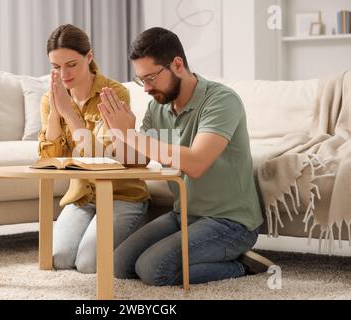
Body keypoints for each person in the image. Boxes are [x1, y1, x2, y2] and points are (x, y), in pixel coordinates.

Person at [97, 27, 274, 286]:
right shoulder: (157, 106)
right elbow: (139, 161)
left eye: (151, 78)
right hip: (183, 215)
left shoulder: (221, 100)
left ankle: (239, 265)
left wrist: (132, 136)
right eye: (141, 80)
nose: (145, 88)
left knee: (153, 269)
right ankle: (205, 255)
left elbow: (196, 162)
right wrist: (119, 134)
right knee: (119, 264)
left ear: (177, 64)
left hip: (230, 222)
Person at [38, 24, 150, 274]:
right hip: (82, 197)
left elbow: (105, 159)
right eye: (56, 67)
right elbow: (50, 159)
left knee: (88, 264)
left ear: (89, 57)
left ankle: (138, 226)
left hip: (120, 195)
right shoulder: (50, 98)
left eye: (71, 64)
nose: (63, 74)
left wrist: (69, 112)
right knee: (58, 258)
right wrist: (56, 112)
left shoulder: (113, 93)